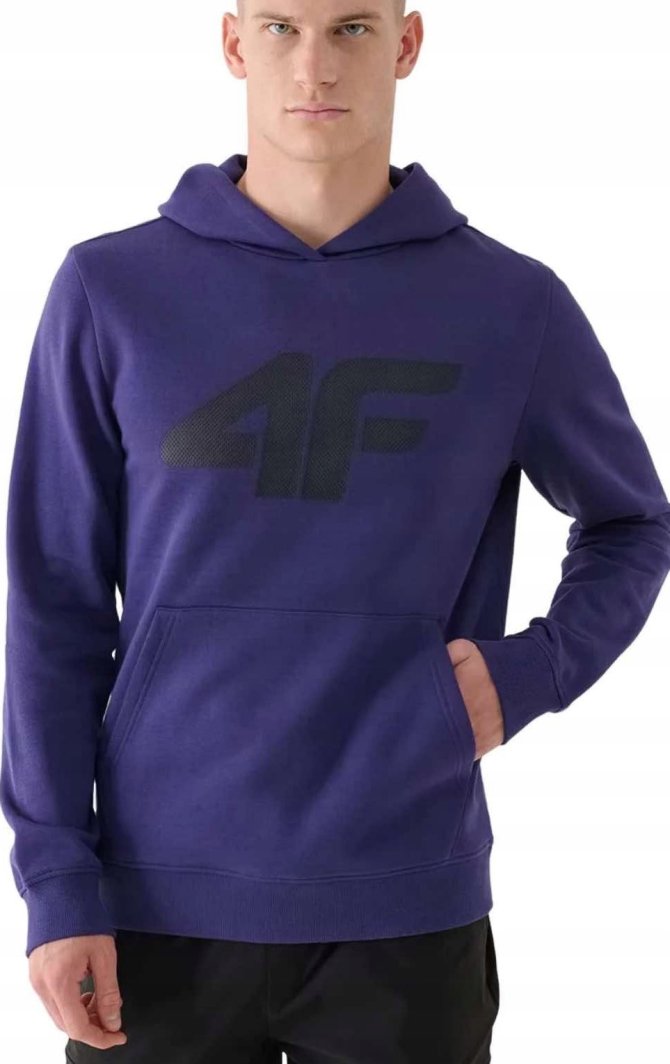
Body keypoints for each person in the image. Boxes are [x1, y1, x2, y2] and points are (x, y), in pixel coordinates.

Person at [1, 2, 668, 1061]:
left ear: (406, 44)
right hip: (152, 905)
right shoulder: (110, 289)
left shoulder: (509, 305)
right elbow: (53, 601)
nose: (313, 66)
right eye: (281, 27)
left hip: (404, 906)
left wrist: (531, 672)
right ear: (234, 45)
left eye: (352, 27)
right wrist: (54, 875)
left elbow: (631, 521)